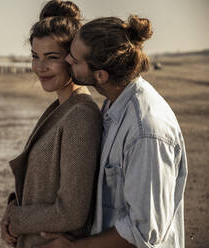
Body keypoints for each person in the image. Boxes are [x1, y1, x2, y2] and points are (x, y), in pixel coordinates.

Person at [37, 15, 188, 248]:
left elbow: (144, 232)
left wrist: (77, 247)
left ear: (100, 75)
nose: (67, 59)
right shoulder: (113, 104)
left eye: (75, 60)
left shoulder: (146, 131)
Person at [0, 1, 103, 248]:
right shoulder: (61, 108)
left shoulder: (81, 115)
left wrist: (16, 219)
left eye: (51, 57)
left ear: (71, 58)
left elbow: (71, 212)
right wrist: (12, 206)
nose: (40, 67)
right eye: (35, 57)